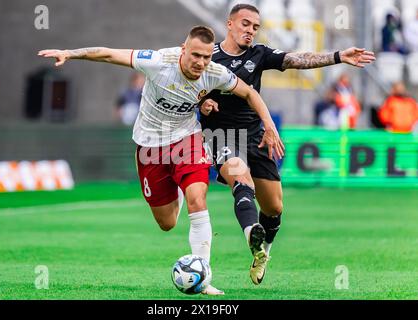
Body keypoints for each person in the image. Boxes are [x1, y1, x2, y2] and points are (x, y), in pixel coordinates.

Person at [38, 25, 284, 295]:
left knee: (198, 199)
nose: (201, 62)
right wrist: (70, 53)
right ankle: (178, 187)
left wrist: (268, 124)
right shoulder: (157, 62)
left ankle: (204, 277)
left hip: (187, 140)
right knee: (166, 222)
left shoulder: (215, 72)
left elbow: (249, 92)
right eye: (196, 56)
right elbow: (109, 54)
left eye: (206, 57)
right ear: (183, 50)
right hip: (150, 147)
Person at [199, 4, 375, 285]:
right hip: (222, 135)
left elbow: (297, 59)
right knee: (240, 178)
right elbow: (186, 85)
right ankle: (250, 232)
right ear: (229, 24)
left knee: (274, 208)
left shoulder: (259, 54)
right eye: (245, 24)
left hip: (256, 136)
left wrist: (338, 56)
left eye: (256, 27)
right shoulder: (208, 56)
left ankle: (262, 252)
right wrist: (202, 102)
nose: (250, 31)